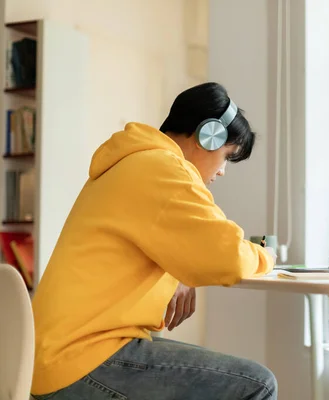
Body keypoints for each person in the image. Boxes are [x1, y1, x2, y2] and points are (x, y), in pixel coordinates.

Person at [30, 82, 278, 399]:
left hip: (60, 353)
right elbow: (227, 255)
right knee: (258, 385)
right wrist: (266, 255)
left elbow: (176, 243)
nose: (222, 171)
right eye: (227, 157)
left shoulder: (133, 163)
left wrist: (179, 274)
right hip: (83, 359)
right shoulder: (163, 168)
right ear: (209, 136)